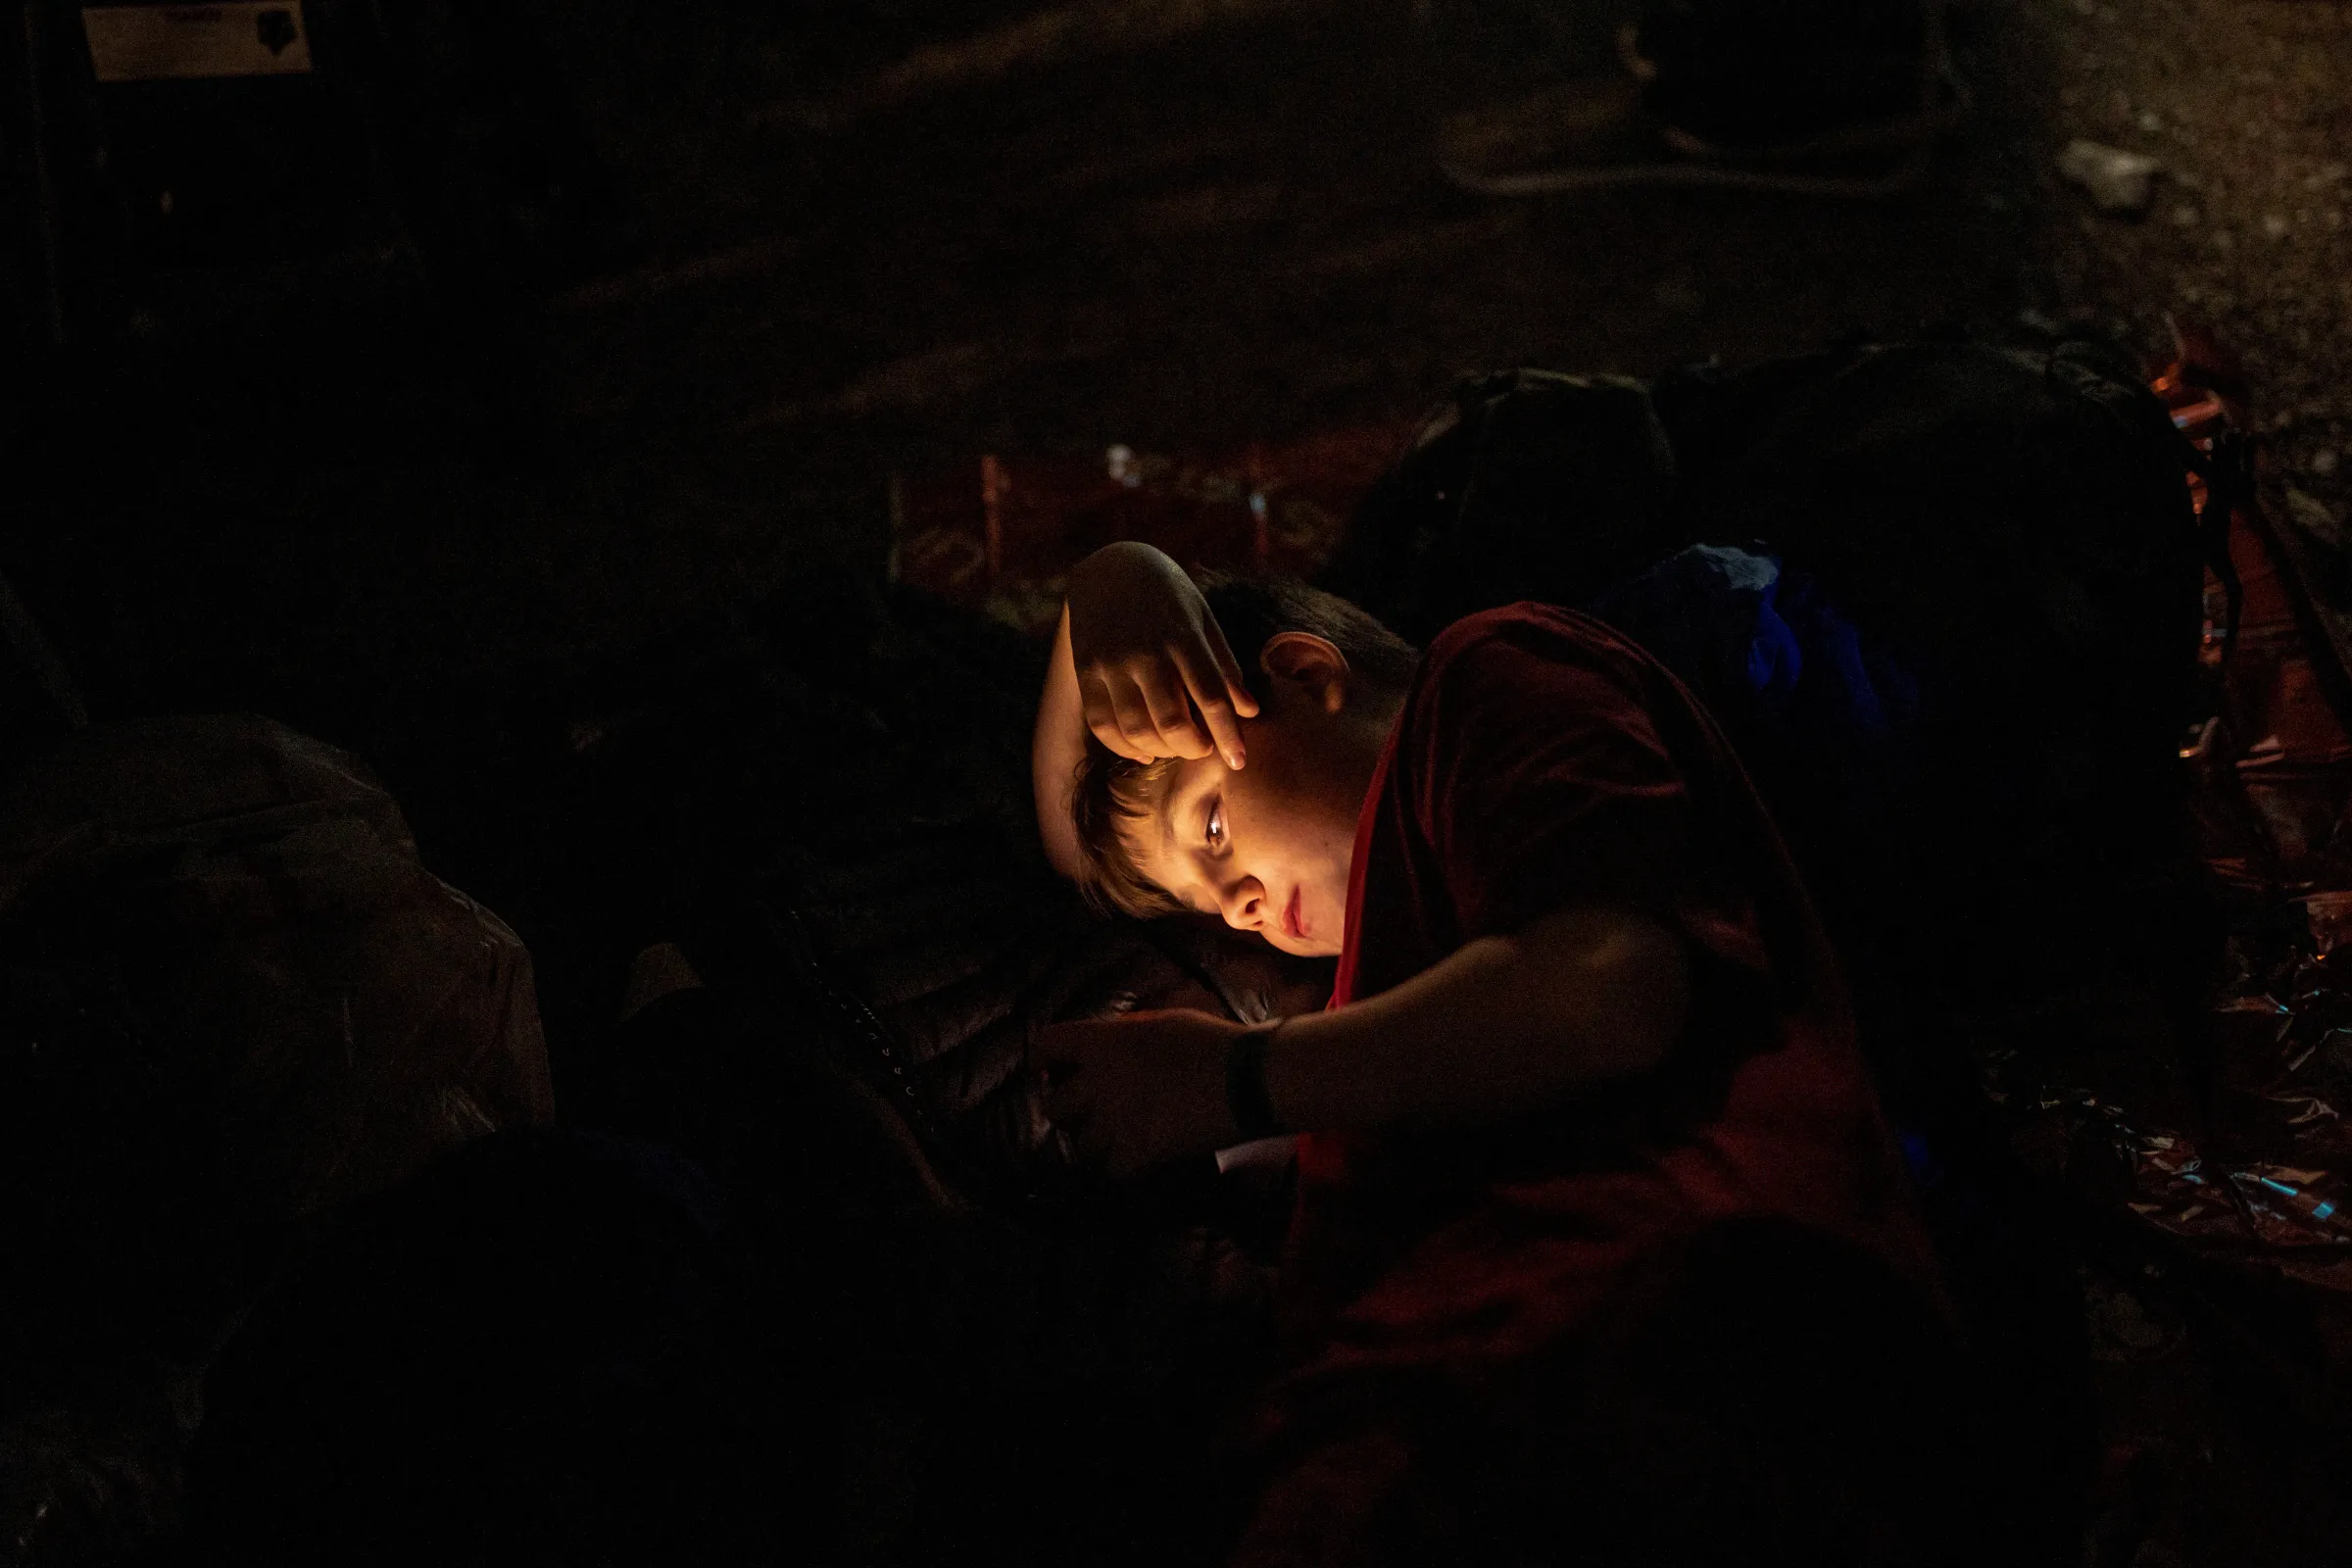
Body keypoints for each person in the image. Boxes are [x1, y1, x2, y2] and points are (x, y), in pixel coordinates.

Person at [1029, 541, 2007, 1565]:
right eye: (1209, 907)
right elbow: (1066, 833)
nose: (1235, 906)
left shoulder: (1489, 681)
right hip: (1459, 1380)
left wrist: (1239, 1077)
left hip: (1653, 1318)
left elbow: (1609, 989)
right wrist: (1094, 594)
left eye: (1215, 825)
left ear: (1310, 677)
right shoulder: (1376, 960)